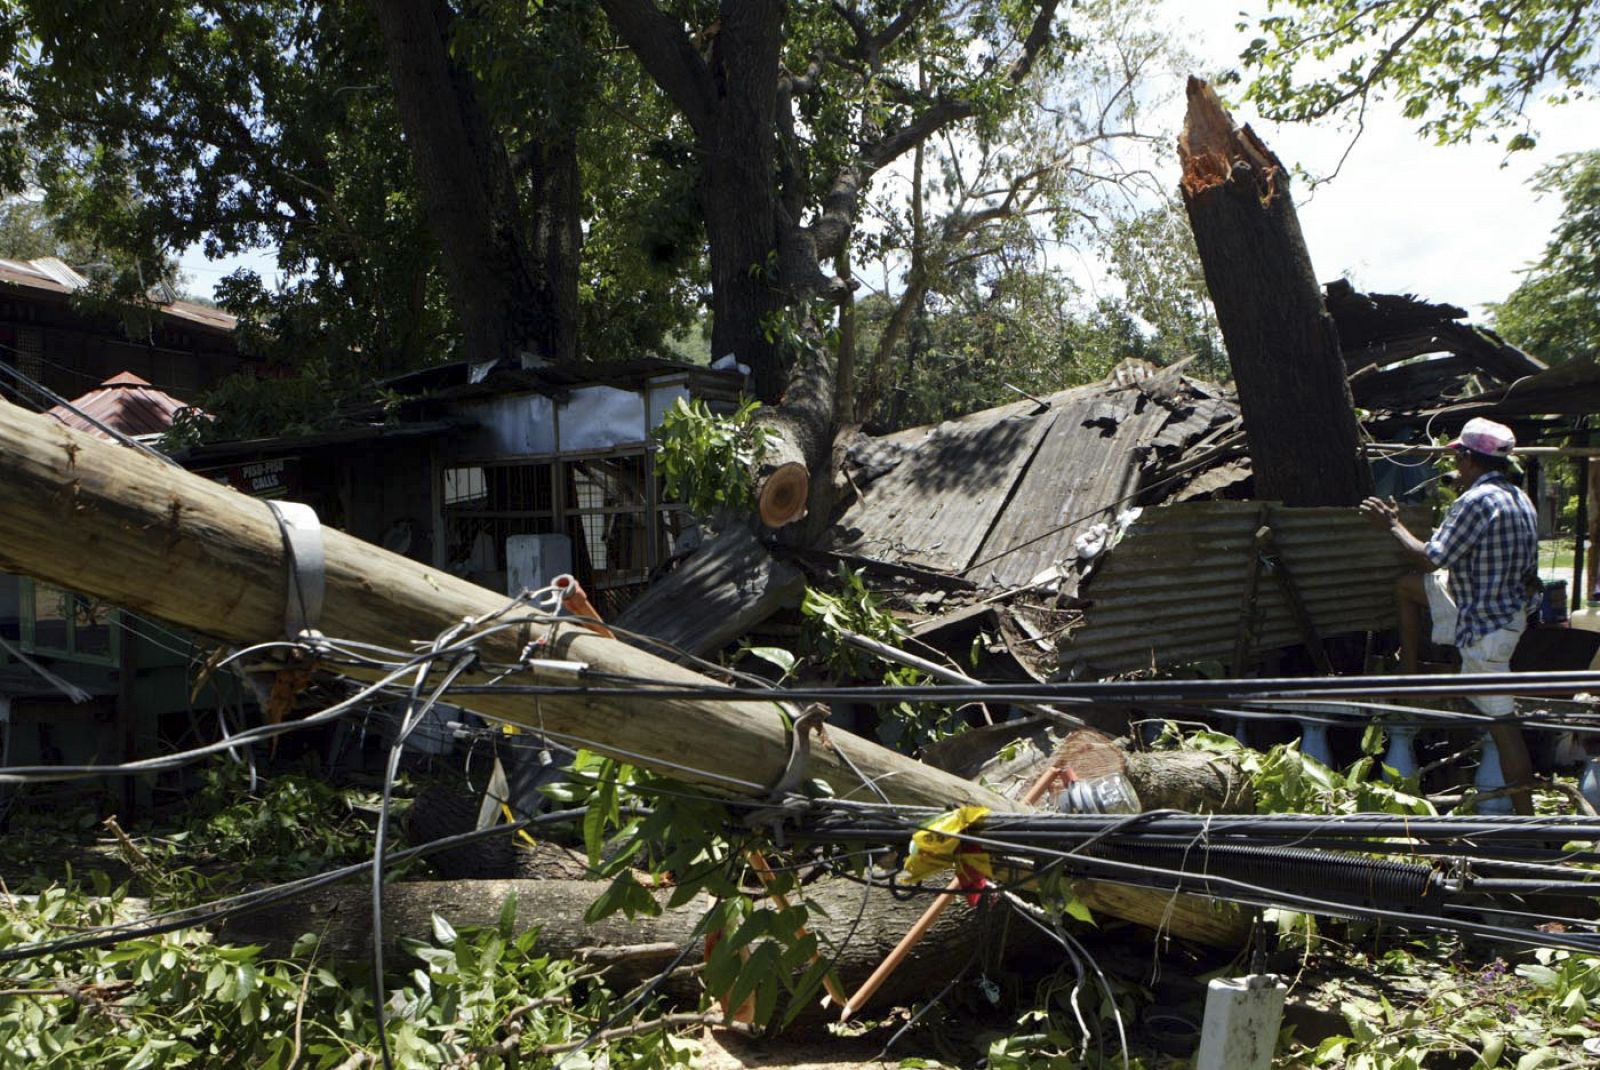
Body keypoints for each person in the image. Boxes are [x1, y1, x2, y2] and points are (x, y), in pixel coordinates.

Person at [1360, 417, 1540, 814]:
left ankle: (1531, 825)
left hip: (1488, 626)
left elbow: (1431, 557)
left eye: (1459, 459)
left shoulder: (1475, 500)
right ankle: (1409, 673)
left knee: (1503, 727)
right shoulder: (1517, 496)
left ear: (1470, 460)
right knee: (1407, 588)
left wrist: (1392, 524)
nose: (1457, 467)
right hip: (1500, 607)